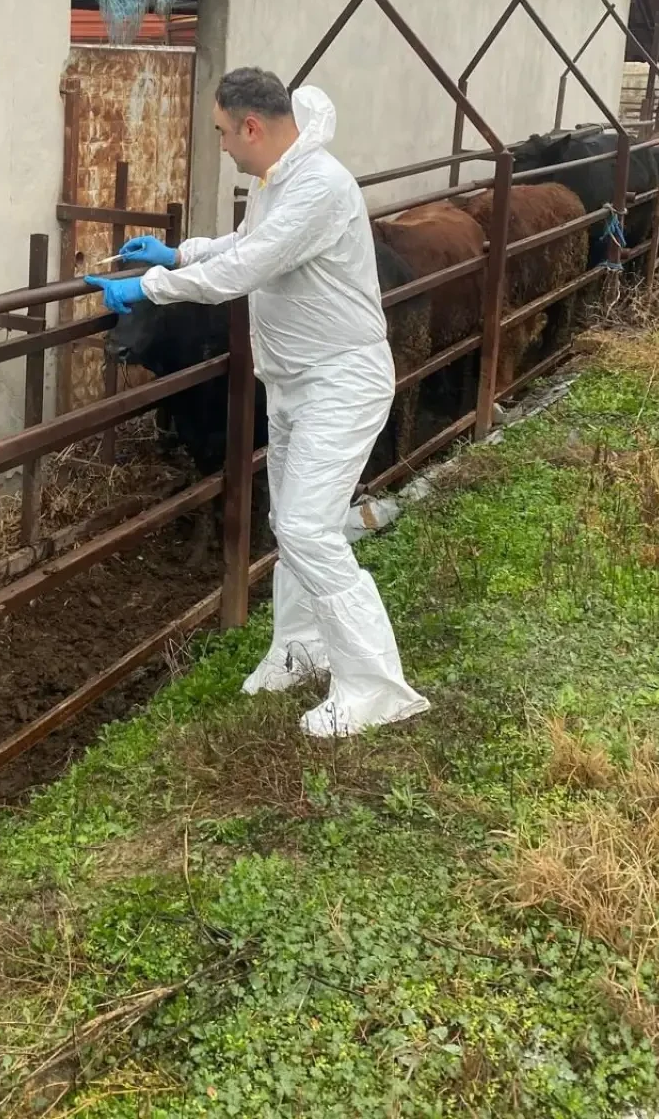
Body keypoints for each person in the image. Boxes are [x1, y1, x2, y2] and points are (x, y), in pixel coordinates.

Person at [85, 67, 428, 739]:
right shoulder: (278, 179)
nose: (221, 146)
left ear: (252, 125)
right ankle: (301, 649)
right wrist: (181, 252)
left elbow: (249, 268)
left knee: (305, 526)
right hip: (297, 378)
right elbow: (247, 245)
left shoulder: (320, 186)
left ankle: (376, 684)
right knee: (293, 518)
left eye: (220, 132)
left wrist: (152, 288)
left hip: (339, 378)